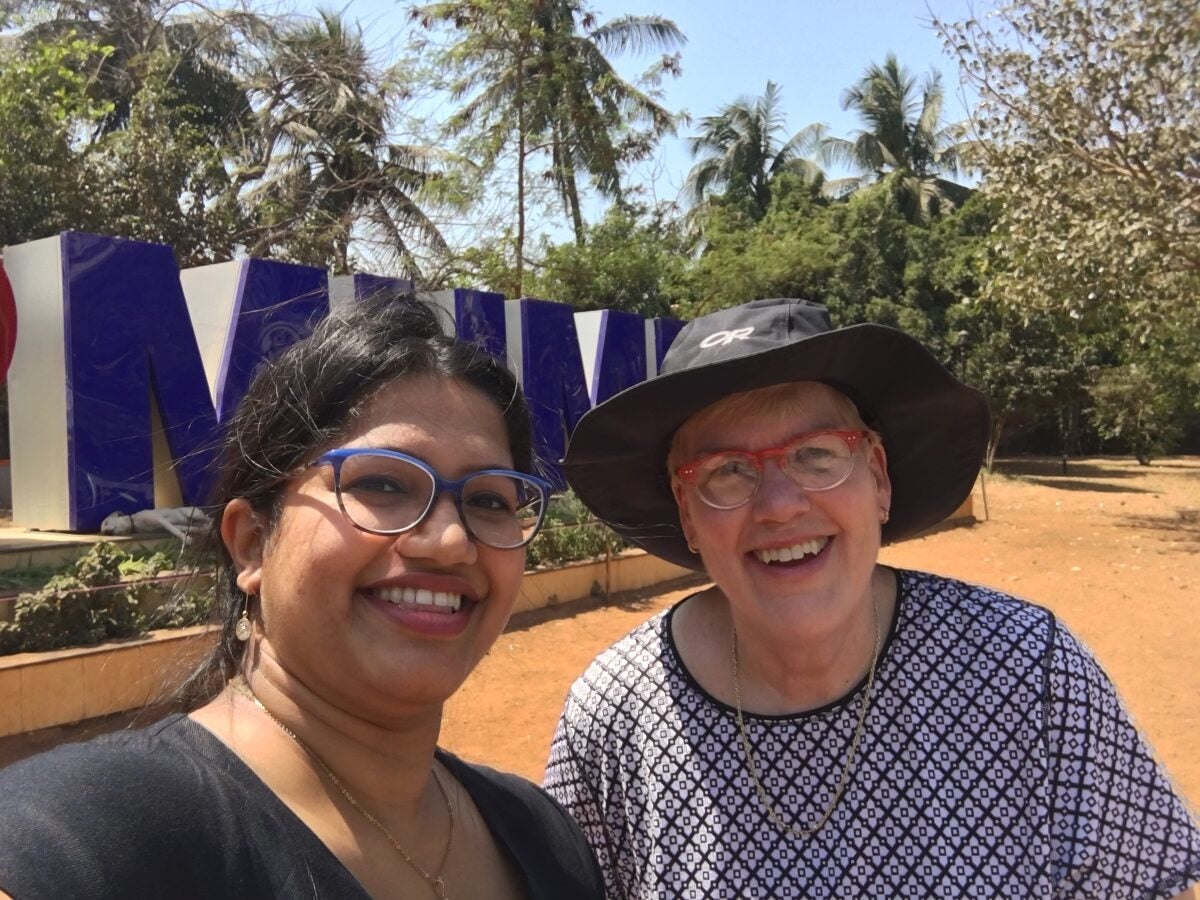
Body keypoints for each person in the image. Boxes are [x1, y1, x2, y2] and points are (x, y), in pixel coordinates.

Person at [544, 297, 1200, 899]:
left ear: (877, 478)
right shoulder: (614, 716)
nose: (778, 506)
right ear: (688, 517)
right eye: (727, 471)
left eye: (815, 455)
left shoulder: (1029, 670)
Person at [0, 298, 605, 899]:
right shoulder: (79, 843)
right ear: (252, 543)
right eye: (384, 483)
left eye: (490, 499)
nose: (450, 542)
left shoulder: (545, 836)